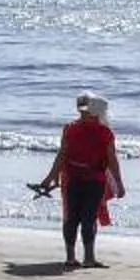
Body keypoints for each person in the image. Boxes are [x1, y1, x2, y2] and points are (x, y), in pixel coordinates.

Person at [32, 92, 126, 269]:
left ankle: (73, 258)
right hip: (90, 180)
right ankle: (85, 258)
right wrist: (119, 183)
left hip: (75, 178)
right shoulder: (105, 132)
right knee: (85, 218)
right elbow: (111, 160)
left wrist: (51, 177)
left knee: (73, 218)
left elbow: (62, 155)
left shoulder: (71, 128)